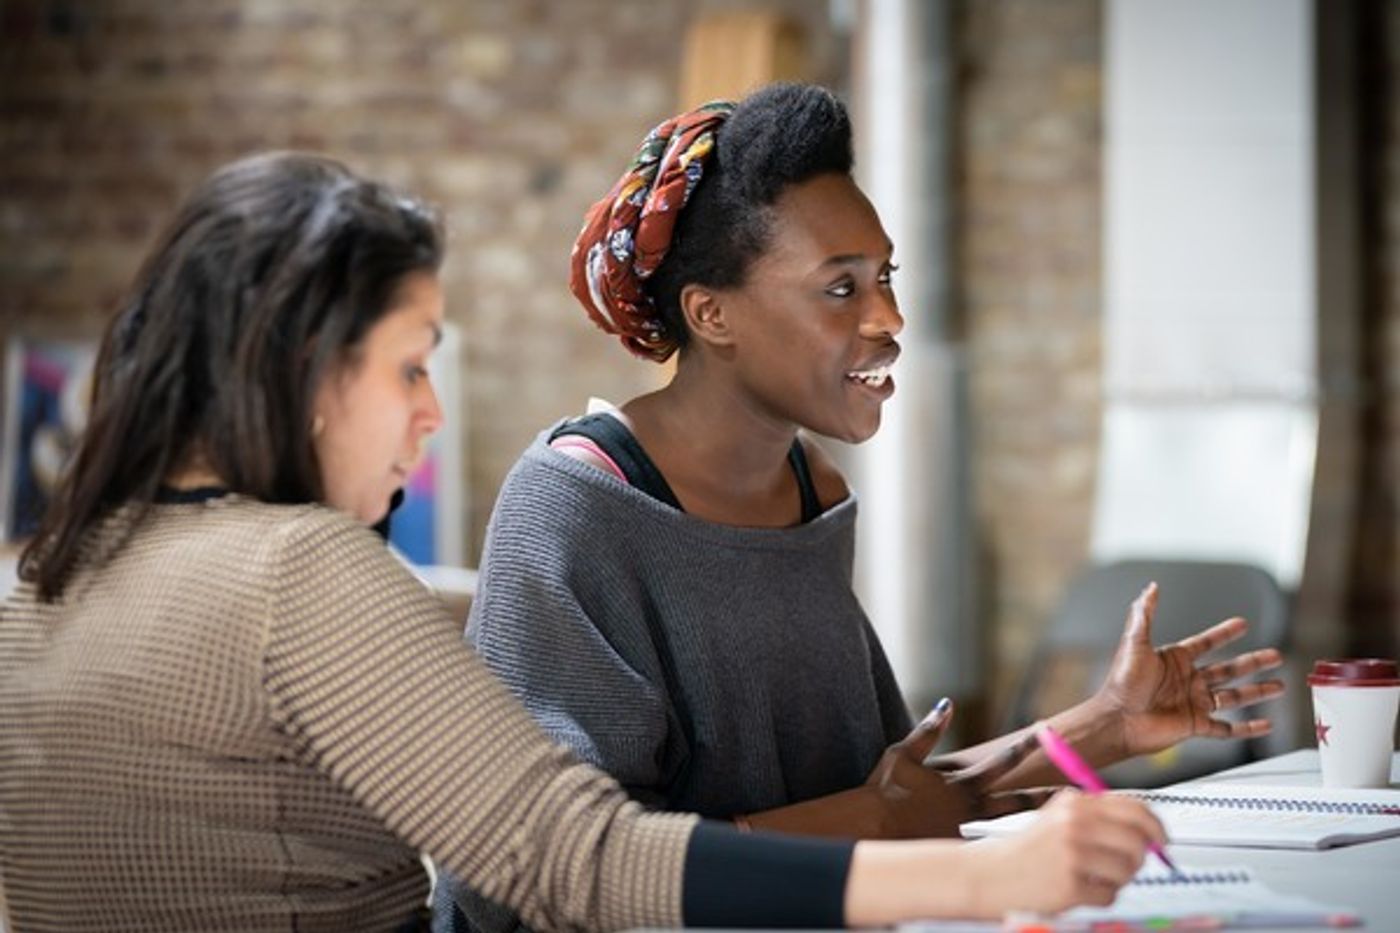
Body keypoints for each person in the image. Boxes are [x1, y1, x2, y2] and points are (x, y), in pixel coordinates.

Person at [0, 150, 1170, 933]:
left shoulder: (42, 584)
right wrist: (982, 874)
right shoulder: (299, 573)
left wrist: (1081, 740)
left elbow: (886, 784)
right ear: (308, 371)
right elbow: (571, 858)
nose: (432, 412)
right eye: (410, 365)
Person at [438, 84, 1285, 930]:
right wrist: (868, 823)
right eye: (841, 289)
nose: (891, 317)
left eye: (884, 276)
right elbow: (540, 878)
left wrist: (1107, 723)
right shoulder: (576, 506)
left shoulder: (814, 492)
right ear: (712, 313)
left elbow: (894, 800)